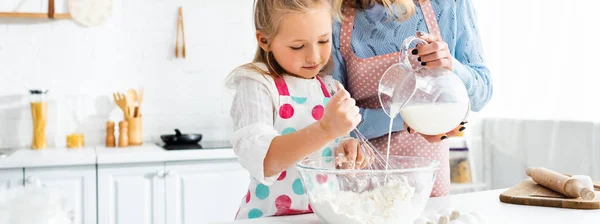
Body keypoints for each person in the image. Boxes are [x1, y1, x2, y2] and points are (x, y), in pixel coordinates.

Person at [331, 0, 493, 196]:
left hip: (425, 184)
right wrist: (410, 120)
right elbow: (332, 121)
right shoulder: (335, 14)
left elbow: (481, 95)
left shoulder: (449, 5)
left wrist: (451, 66)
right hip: (358, 182)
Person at [226, 0, 366, 220]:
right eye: (297, 46)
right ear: (265, 41)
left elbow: (330, 151)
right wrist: (326, 129)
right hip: (270, 218)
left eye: (323, 41)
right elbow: (266, 161)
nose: (314, 56)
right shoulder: (257, 85)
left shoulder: (329, 87)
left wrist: (346, 149)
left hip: (321, 217)